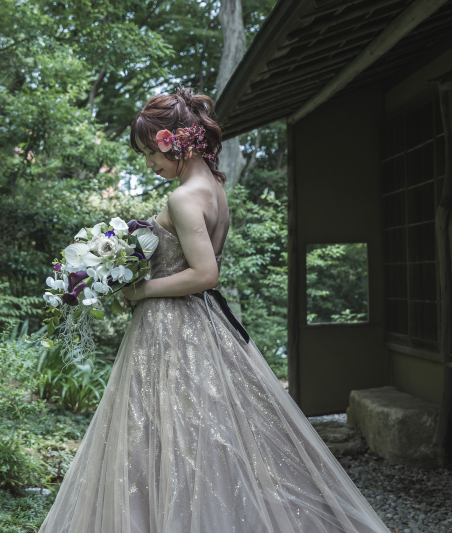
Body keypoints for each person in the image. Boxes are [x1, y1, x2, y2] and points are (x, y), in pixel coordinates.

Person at [38, 87, 389, 533]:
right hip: (203, 325)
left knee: (164, 436)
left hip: (171, 329)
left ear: (178, 143)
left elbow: (205, 274)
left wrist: (141, 290)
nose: (149, 163)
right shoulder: (216, 191)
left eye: (152, 152)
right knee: (204, 436)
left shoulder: (183, 198)